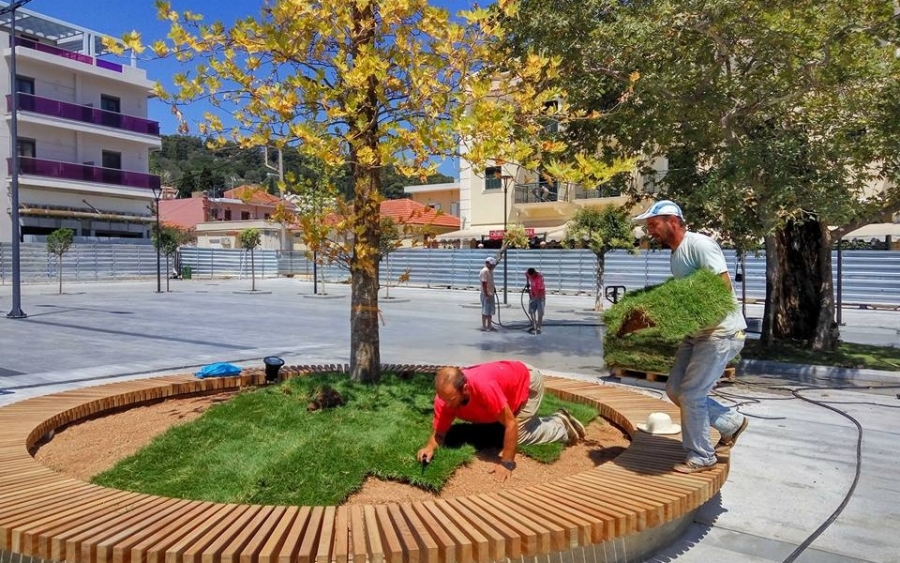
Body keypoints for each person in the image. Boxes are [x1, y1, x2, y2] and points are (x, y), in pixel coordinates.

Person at [632, 200, 749, 474]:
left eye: (653, 224)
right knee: (675, 390)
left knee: (692, 394)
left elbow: (721, 287)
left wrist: (686, 315)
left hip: (719, 332)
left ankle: (701, 456)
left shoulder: (700, 245)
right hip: (695, 334)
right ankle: (730, 422)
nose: (650, 231)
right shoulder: (676, 255)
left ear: (672, 221)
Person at [416, 361, 585, 481]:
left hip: (527, 382)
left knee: (520, 435)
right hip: (505, 387)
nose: (446, 404)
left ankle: (560, 426)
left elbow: (511, 424)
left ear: (465, 389)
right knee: (497, 428)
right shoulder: (445, 399)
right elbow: (439, 433)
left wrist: (507, 463)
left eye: (451, 399)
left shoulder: (484, 387)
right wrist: (429, 447)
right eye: (443, 398)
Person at [525, 268, 546, 334]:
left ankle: (539, 327)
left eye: (532, 276)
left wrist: (536, 298)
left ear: (534, 273)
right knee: (531, 311)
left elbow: (540, 290)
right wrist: (527, 282)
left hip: (540, 296)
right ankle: (534, 326)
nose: (531, 277)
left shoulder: (539, 278)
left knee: (540, 313)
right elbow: (526, 274)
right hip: (533, 295)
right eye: (530, 276)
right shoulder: (529, 273)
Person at [480, 256, 497, 331]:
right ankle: (484, 326)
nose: (493, 266)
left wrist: (494, 288)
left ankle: (489, 325)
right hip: (486, 294)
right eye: (491, 264)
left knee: (489, 311)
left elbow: (491, 281)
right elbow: (484, 283)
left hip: (491, 293)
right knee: (485, 310)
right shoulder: (484, 271)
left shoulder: (490, 271)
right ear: (487, 263)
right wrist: (486, 294)